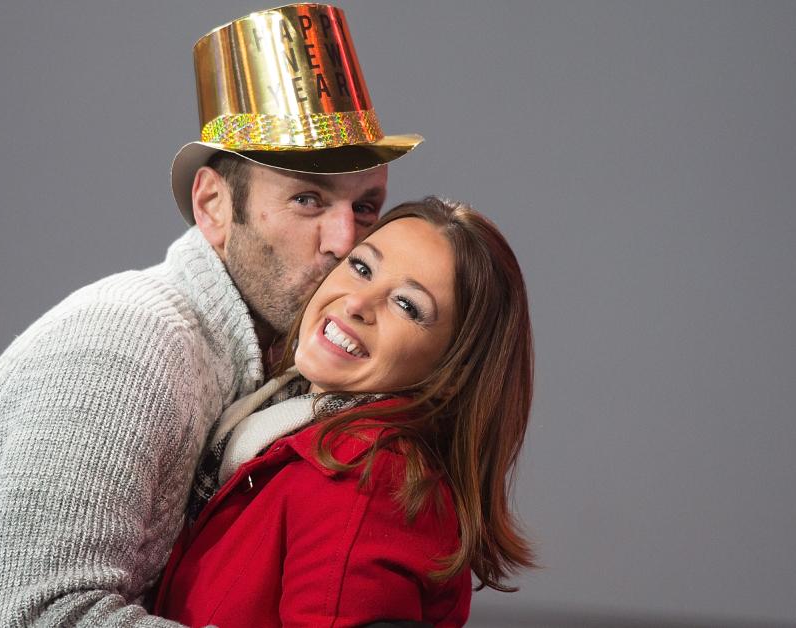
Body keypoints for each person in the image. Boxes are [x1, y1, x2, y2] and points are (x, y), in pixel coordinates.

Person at [0, 5, 422, 627]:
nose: (343, 239)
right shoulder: (132, 346)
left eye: (367, 206)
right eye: (307, 199)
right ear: (214, 205)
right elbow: (42, 616)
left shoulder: (257, 372)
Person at [156, 197, 537, 627]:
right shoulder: (275, 425)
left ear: (451, 373)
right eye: (362, 267)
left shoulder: (369, 476)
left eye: (407, 305)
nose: (358, 302)